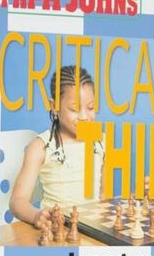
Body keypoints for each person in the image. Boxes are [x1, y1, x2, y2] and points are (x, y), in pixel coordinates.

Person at [9, 65, 103, 228]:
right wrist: (36, 215)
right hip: (57, 229)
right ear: (54, 106)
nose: (84, 117)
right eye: (74, 109)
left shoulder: (101, 141)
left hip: (93, 230)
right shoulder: (41, 146)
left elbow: (104, 195)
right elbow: (17, 201)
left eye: (90, 108)